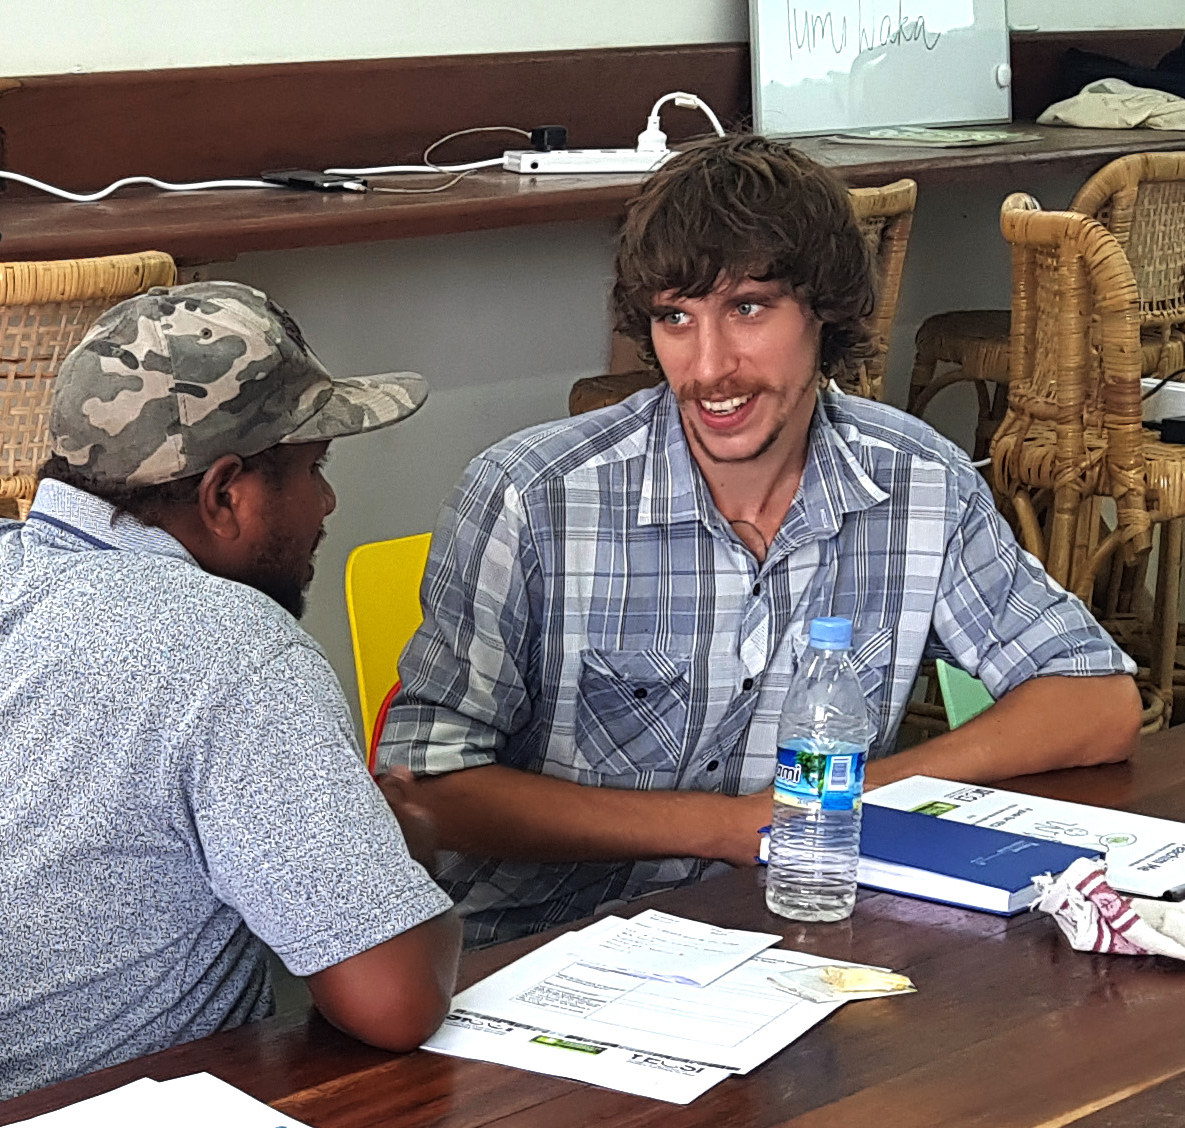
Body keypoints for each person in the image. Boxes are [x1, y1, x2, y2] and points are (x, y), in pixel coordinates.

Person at [0, 281, 463, 1128]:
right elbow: (395, 1006)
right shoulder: (236, 649)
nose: (328, 504)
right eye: (314, 469)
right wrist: (407, 847)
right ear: (225, 494)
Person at [378, 134, 1145, 947]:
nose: (710, 367)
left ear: (826, 313)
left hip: (800, 939)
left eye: (747, 308)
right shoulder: (530, 496)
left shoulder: (919, 482)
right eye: (675, 318)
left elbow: (1096, 704)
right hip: (540, 949)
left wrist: (833, 802)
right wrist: (727, 827)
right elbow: (424, 786)